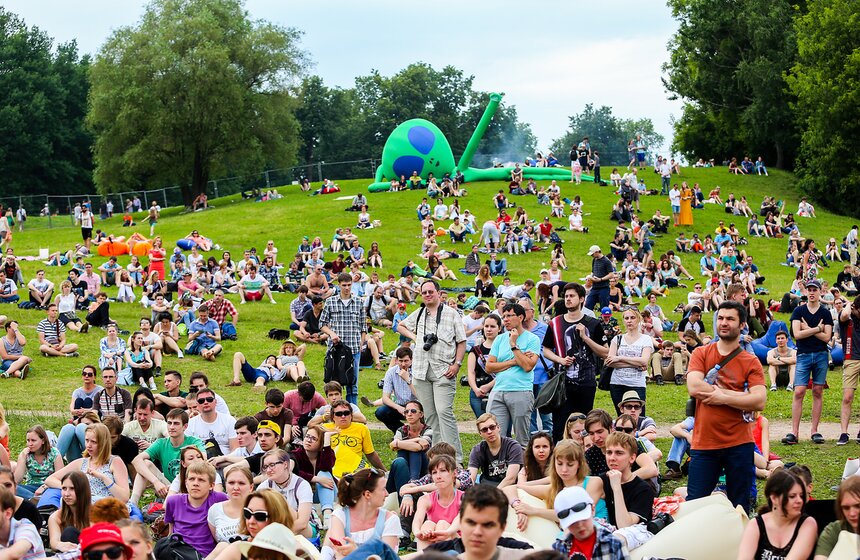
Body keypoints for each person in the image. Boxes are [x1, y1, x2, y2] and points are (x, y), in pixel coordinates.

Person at [686, 300, 766, 512]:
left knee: (739, 506)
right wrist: (740, 396)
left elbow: (759, 400)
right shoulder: (701, 353)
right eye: (720, 318)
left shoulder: (751, 361)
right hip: (704, 443)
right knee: (695, 505)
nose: (723, 323)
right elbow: (694, 387)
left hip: (739, 444)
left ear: (742, 325)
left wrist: (724, 397)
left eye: (730, 319)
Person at [397, 279, 467, 462]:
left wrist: (457, 364)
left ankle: (455, 458)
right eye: (424, 292)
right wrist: (415, 337)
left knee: (444, 412)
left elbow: (461, 341)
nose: (427, 295)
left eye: (430, 291)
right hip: (421, 370)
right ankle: (436, 457)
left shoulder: (452, 314)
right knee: (429, 415)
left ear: (438, 292)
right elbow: (400, 325)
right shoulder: (419, 313)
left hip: (443, 369)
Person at [542, 283, 609, 442]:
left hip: (586, 382)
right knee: (559, 426)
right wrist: (560, 359)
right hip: (563, 385)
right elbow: (545, 349)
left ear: (581, 299)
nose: (568, 299)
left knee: (585, 425)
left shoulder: (593, 323)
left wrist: (586, 338)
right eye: (566, 296)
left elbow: (605, 352)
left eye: (572, 296)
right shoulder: (555, 323)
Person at [783, 279, 833, 445]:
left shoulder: (825, 313)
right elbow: (797, 335)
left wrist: (809, 329)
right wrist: (818, 328)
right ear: (805, 292)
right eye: (809, 290)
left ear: (820, 292)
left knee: (818, 390)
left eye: (815, 290)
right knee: (799, 392)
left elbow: (827, 337)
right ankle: (794, 432)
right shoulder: (799, 311)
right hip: (804, 354)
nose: (812, 292)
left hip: (820, 355)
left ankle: (814, 431)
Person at [485, 303, 540, 445]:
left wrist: (514, 345)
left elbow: (527, 366)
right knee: (497, 437)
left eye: (509, 316)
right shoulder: (499, 339)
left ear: (521, 317)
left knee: (522, 438)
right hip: (498, 391)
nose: (505, 320)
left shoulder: (532, 339)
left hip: (520, 391)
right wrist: (513, 362)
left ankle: (523, 466)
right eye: (503, 316)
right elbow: (489, 367)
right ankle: (500, 466)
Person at [42, 423, 130, 509]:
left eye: (94, 442)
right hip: (83, 503)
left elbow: (124, 497)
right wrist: (72, 488)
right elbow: (50, 479)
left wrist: (104, 478)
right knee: (63, 501)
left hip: (105, 505)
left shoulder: (114, 462)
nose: (89, 445)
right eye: (87, 440)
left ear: (103, 443)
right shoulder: (81, 462)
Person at [737, 469, 817, 560]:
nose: (799, 500)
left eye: (801, 495)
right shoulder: (756, 524)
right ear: (774, 498)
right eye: (792, 496)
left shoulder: (807, 524)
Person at [322, 468, 401, 560]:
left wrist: (356, 551)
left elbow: (387, 557)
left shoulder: (390, 520)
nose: (387, 494)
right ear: (367, 494)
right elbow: (340, 555)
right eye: (383, 489)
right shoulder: (340, 516)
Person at [320, 273, 367, 405]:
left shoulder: (359, 302)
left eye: (349, 285)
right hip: (335, 349)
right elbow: (321, 324)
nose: (347, 288)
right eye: (344, 285)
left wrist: (361, 343)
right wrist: (331, 333)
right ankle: (334, 410)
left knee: (353, 384)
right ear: (339, 285)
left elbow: (363, 327)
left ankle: (353, 411)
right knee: (334, 383)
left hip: (353, 349)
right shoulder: (330, 301)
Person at [164, 461, 227, 556]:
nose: (195, 483)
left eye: (201, 480)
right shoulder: (173, 501)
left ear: (211, 485)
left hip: (207, 555)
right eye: (192, 479)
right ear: (186, 482)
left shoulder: (219, 499)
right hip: (179, 552)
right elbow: (171, 531)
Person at [551, 485, 627, 560]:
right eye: (572, 523)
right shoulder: (559, 549)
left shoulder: (613, 543)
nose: (579, 525)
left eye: (583, 519)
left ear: (593, 510)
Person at [257, 449, 317, 538]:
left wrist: (277, 536)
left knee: (283, 504)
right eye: (265, 467)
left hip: (303, 530)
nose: (268, 470)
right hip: (274, 527)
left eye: (272, 465)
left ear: (285, 464)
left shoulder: (301, 485)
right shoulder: (264, 487)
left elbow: (303, 523)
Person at [605, 308, 653, 413]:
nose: (629, 320)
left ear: (638, 319)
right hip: (617, 382)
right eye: (626, 318)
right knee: (621, 416)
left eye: (632, 317)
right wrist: (635, 364)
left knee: (638, 416)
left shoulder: (646, 339)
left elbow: (644, 361)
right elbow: (610, 362)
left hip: (637, 383)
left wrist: (620, 358)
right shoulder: (617, 339)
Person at [324, 400, 385, 478]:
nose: (343, 416)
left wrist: (384, 471)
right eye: (339, 414)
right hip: (332, 470)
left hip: (355, 470)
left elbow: (370, 454)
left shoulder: (361, 428)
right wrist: (322, 417)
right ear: (333, 416)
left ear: (351, 415)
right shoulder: (325, 428)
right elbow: (310, 424)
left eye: (346, 413)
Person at [412, 455, 462, 551]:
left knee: (442, 524)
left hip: (459, 546)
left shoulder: (465, 498)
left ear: (454, 473)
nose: (438, 476)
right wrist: (418, 532)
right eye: (434, 473)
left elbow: (458, 522)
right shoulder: (425, 499)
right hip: (434, 542)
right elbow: (417, 520)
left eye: (443, 471)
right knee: (427, 525)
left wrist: (447, 532)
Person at [291, 425, 335, 529]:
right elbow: (294, 473)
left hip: (327, 493)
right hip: (306, 494)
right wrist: (316, 479)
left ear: (321, 443)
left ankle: (327, 515)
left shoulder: (327, 453)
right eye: (307, 436)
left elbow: (326, 467)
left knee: (324, 473)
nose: (308, 440)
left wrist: (327, 444)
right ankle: (313, 513)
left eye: (314, 439)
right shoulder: (295, 455)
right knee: (320, 477)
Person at [468, 413, 522, 489]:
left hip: (509, 488)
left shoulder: (513, 446)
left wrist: (494, 494)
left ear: (498, 427)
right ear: (480, 433)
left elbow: (511, 479)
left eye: (492, 427)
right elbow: (471, 478)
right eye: (484, 429)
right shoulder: (477, 450)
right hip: (486, 488)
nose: (489, 432)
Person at [13, 425, 62, 501]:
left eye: (33, 440)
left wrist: (44, 487)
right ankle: (36, 500)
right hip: (31, 487)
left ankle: (33, 500)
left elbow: (60, 477)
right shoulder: (26, 454)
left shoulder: (54, 453)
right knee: (12, 488)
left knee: (56, 491)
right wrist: (22, 459)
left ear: (43, 441)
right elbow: (17, 480)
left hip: (49, 486)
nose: (30, 443)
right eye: (28, 440)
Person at [372, 347, 416, 433]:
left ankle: (420, 432)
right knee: (381, 412)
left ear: (411, 360)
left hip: (416, 405)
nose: (403, 364)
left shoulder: (417, 371)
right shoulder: (391, 372)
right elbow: (385, 398)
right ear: (396, 360)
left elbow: (420, 396)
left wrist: (408, 380)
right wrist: (398, 407)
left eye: (406, 361)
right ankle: (401, 431)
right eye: (401, 361)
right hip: (399, 405)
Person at [186, 387, 238, 456]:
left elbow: (235, 449)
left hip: (227, 462)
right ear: (197, 404)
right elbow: (188, 451)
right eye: (201, 401)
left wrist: (223, 460)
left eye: (209, 399)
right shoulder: (191, 424)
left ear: (215, 402)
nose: (206, 402)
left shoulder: (229, 420)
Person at [47, 471, 90, 552]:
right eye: (64, 488)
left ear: (83, 490)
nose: (66, 494)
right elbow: (54, 542)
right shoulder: (56, 517)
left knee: (70, 532)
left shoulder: (96, 514)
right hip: (66, 554)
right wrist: (60, 545)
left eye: (72, 488)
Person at [839, 296, 860, 445]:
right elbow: (844, 315)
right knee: (847, 397)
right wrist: (849, 305)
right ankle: (844, 433)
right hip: (851, 358)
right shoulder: (847, 318)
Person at [584, 246, 615, 312]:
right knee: (588, 306)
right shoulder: (594, 260)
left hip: (604, 287)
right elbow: (593, 271)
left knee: (604, 308)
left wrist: (601, 279)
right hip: (594, 287)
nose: (592, 255)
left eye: (593, 254)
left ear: (597, 252)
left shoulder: (606, 261)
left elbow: (611, 274)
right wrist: (590, 277)